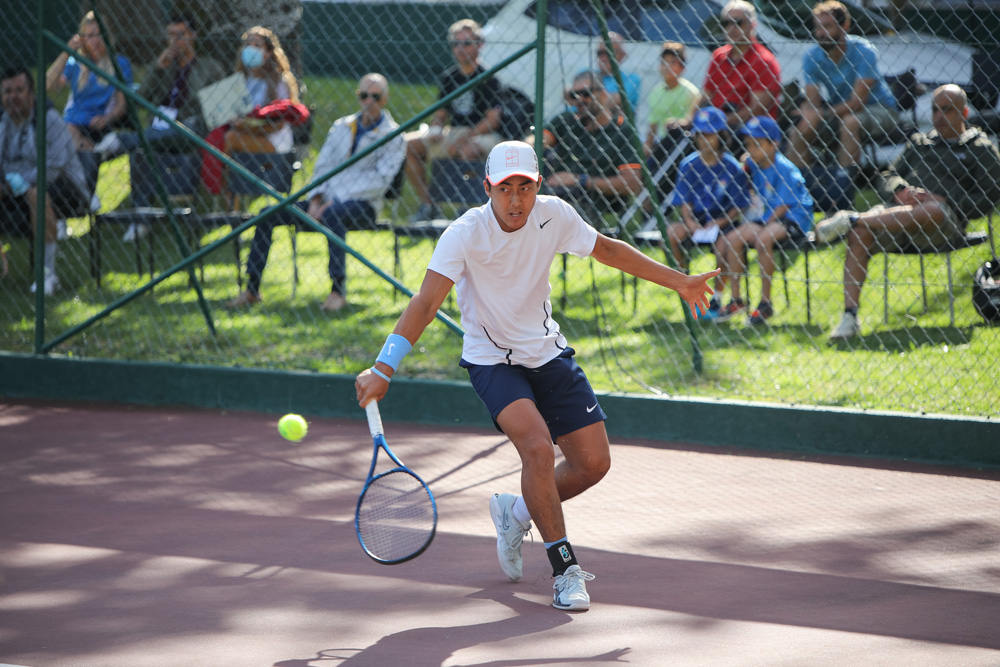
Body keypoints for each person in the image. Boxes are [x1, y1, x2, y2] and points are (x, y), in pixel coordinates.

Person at [354, 140, 720, 611]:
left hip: (547, 352)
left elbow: (606, 249)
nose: (515, 200)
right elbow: (425, 304)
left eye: (524, 187)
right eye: (504, 188)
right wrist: (384, 367)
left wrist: (679, 280)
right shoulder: (464, 234)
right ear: (487, 188)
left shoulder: (555, 215)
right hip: (492, 360)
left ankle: (517, 511)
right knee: (537, 448)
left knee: (593, 464)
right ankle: (565, 569)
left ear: (538, 186)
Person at [814, 84, 1000, 340]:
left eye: (947, 110)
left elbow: (990, 197)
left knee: (932, 208)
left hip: (943, 226)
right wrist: (900, 190)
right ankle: (849, 316)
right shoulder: (920, 143)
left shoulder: (980, 148)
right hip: (898, 218)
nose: (938, 116)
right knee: (860, 233)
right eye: (935, 110)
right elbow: (886, 175)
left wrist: (946, 198)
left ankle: (851, 217)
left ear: (964, 112)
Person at [226, 73, 405, 313]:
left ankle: (337, 291)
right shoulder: (341, 127)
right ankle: (252, 289)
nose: (369, 101)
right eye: (364, 95)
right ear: (358, 97)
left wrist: (332, 201)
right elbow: (322, 167)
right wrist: (317, 198)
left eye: (376, 96)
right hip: (323, 200)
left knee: (334, 215)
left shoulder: (394, 135)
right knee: (268, 213)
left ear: (385, 99)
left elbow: (380, 181)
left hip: (363, 204)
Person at [786, 1, 899, 199]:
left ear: (844, 26)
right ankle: (799, 193)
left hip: (879, 109)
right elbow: (813, 103)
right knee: (799, 131)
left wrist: (822, 113)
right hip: (840, 112)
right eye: (818, 27)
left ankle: (841, 193)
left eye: (827, 26)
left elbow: (857, 103)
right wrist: (809, 115)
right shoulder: (811, 56)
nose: (821, 33)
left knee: (850, 122)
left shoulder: (865, 51)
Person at [0, 67, 89, 295]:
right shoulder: (3, 123)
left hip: (65, 187)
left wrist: (17, 183)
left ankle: (47, 275)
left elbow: (54, 166)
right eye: (7, 91)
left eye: (19, 90)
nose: (13, 97)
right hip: (16, 189)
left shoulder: (49, 119)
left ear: (31, 93)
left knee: (35, 193)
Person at [405, 19, 503, 222]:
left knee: (468, 150)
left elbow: (492, 120)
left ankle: (468, 211)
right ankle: (428, 206)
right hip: (454, 131)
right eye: (455, 44)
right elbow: (441, 113)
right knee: (408, 145)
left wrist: (463, 139)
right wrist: (436, 128)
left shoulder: (489, 78)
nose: (460, 49)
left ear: (479, 45)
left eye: (466, 43)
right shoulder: (448, 78)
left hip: (482, 133)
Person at [94, 12, 226, 160]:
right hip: (159, 124)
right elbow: (140, 100)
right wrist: (157, 70)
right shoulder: (163, 66)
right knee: (156, 134)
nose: (174, 41)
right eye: (170, 35)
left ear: (193, 35)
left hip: (188, 127)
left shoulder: (211, 68)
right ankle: (128, 142)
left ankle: (122, 141)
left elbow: (217, 112)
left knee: (181, 131)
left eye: (180, 35)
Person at [720, 116, 813, 325]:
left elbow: (785, 204)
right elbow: (746, 163)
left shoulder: (785, 167)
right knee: (732, 239)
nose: (751, 149)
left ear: (774, 144)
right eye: (749, 144)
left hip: (793, 218)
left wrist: (762, 223)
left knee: (763, 239)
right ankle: (736, 300)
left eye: (758, 144)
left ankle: (765, 303)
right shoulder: (757, 163)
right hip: (767, 218)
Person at [667, 106, 750, 321]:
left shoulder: (731, 166)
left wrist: (719, 222)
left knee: (724, 245)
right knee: (671, 235)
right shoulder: (688, 165)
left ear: (721, 136)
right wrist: (690, 222)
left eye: (710, 134)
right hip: (696, 219)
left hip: (723, 221)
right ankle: (685, 285)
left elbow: (739, 206)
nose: (705, 140)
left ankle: (717, 296)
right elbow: (684, 201)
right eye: (701, 134)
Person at [542, 71, 643, 225]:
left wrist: (580, 180)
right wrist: (526, 145)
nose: (580, 100)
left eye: (586, 94)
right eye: (575, 95)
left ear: (603, 94)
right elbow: (540, 139)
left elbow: (632, 184)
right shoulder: (566, 120)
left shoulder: (623, 130)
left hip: (597, 203)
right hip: (556, 193)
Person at [45, 11, 133, 151]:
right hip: (73, 123)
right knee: (66, 132)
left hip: (101, 123)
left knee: (68, 141)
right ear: (82, 38)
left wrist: (107, 118)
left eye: (100, 34)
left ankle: (88, 152)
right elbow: (48, 85)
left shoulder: (120, 64)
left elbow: (122, 104)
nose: (96, 40)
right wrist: (67, 52)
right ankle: (92, 151)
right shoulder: (75, 63)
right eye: (91, 35)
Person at [702, 0, 782, 130]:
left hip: (750, 130)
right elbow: (705, 96)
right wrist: (692, 119)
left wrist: (720, 123)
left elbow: (758, 110)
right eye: (726, 23)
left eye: (738, 22)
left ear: (753, 25)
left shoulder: (764, 61)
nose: (731, 28)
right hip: (715, 129)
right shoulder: (718, 56)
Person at [223, 25, 299, 155]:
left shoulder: (279, 82)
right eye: (248, 45)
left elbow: (279, 124)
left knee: (230, 138)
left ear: (268, 52)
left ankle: (218, 175)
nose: (251, 49)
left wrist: (249, 127)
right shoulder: (240, 80)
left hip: (275, 139)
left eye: (257, 46)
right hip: (243, 133)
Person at [645, 41, 701, 157]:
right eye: (664, 62)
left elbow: (691, 120)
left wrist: (677, 123)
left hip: (683, 143)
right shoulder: (655, 92)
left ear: (682, 67)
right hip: (661, 145)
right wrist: (648, 144)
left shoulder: (691, 91)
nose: (667, 67)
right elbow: (653, 126)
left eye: (673, 62)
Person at [595, 31, 641, 113]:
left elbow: (618, 101)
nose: (603, 57)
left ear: (622, 55)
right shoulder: (586, 72)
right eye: (600, 53)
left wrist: (587, 97)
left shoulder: (632, 78)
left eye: (608, 53)